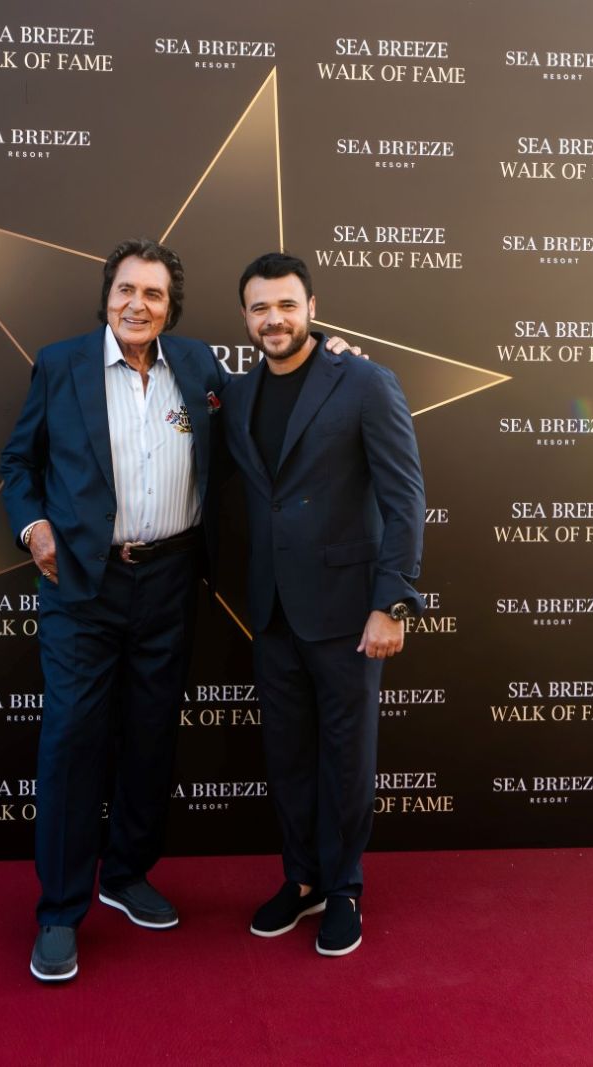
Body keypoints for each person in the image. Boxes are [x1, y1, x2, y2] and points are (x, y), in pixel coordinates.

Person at [0, 238, 354, 983]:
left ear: (171, 307)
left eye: (154, 294)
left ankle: (127, 873)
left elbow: (272, 395)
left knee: (152, 735)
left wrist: (330, 357)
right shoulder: (60, 364)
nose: (138, 305)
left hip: (169, 580)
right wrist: (33, 526)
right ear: (107, 296)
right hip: (83, 583)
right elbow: (18, 462)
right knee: (71, 741)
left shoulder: (198, 368)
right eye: (126, 290)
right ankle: (60, 911)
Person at [220, 252, 426, 957]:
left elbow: (405, 499)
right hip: (271, 608)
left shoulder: (364, 381)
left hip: (347, 607)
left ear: (311, 306)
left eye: (286, 304)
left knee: (345, 756)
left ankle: (344, 888)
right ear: (245, 316)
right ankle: (302, 878)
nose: (273, 319)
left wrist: (392, 601)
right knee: (288, 755)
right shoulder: (238, 395)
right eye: (260, 307)